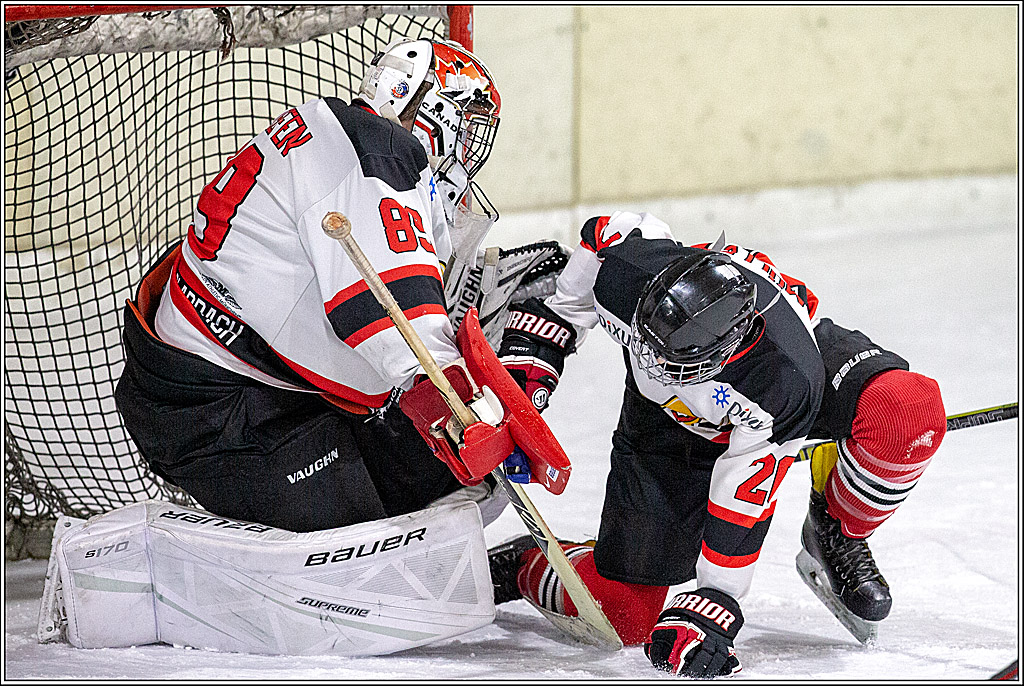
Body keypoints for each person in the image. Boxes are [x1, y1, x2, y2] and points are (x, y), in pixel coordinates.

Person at [487, 211, 945, 677]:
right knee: (622, 616)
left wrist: (715, 602)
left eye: (678, 365)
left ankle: (836, 531)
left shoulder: (783, 380)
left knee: (906, 411)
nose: (655, 364)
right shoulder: (628, 268)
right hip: (664, 425)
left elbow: (742, 501)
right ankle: (531, 560)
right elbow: (599, 239)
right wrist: (532, 366)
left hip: (776, 392)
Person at [113, 38, 509, 535]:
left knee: (438, 474)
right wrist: (460, 394)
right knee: (412, 511)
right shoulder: (378, 153)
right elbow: (391, 312)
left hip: (217, 388)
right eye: (463, 122)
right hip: (224, 413)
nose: (466, 148)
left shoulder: (334, 129)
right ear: (417, 100)